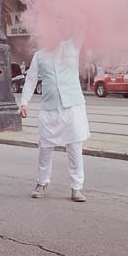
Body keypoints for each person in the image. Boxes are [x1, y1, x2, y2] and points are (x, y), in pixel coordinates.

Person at [19, 33, 90, 202]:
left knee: (74, 150)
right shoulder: (39, 55)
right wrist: (24, 103)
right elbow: (30, 80)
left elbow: (84, 26)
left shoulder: (72, 45)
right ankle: (42, 183)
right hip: (49, 109)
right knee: (45, 149)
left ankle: (77, 187)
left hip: (72, 107)